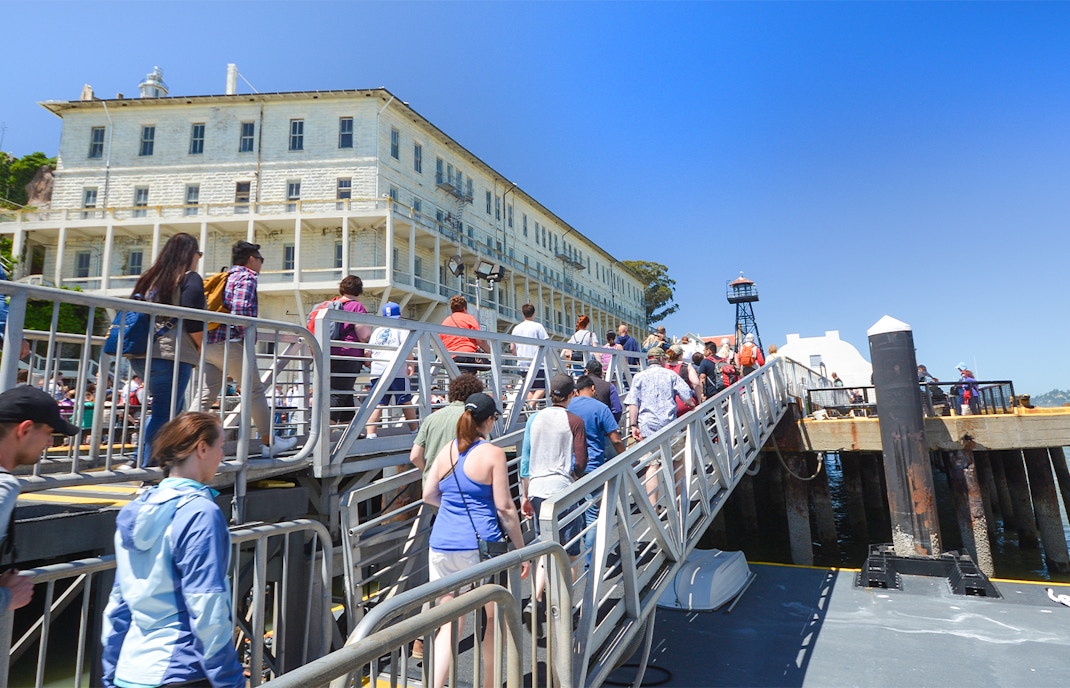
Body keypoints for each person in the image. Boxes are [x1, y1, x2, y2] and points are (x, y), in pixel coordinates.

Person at [101, 412, 242, 688]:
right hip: (182, 669)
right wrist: (229, 681)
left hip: (130, 673)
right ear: (202, 447)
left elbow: (118, 604)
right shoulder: (200, 512)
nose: (222, 456)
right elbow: (206, 605)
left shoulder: (134, 510)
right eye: (221, 446)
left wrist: (110, 674)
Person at [423, 393, 530, 688]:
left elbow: (428, 495)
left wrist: (453, 509)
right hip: (480, 548)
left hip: (441, 544)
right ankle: (490, 684)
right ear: (490, 420)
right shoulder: (493, 453)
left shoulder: (447, 450)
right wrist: (522, 550)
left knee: (450, 624)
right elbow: (506, 508)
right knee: (492, 620)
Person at [195, 241, 297, 457]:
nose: (261, 264)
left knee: (206, 393)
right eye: (261, 259)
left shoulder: (225, 276)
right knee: (254, 390)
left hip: (209, 342)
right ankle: (269, 442)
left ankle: (185, 440)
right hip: (229, 342)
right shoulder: (246, 277)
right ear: (252, 259)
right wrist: (248, 333)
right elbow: (241, 312)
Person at [126, 232, 207, 466]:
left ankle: (141, 458)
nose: (198, 259)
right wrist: (200, 346)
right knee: (165, 412)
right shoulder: (189, 278)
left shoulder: (150, 278)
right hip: (170, 353)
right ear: (190, 254)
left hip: (141, 352)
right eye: (198, 254)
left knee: (169, 408)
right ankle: (148, 467)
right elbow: (193, 318)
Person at [0, 387, 78, 613]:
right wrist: (7, 597)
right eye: (49, 432)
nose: (50, 443)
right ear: (25, 429)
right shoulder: (4, 486)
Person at [520, 375, 587, 608]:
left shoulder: (534, 419)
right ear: (572, 394)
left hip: (537, 489)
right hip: (561, 489)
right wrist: (577, 476)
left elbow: (525, 462)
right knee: (570, 551)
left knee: (546, 545)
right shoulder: (574, 421)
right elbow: (580, 461)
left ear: (550, 393)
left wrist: (525, 496)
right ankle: (564, 604)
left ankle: (536, 598)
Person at [624, 347, 694, 506]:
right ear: (662, 360)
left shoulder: (639, 376)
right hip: (669, 425)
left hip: (647, 427)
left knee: (652, 466)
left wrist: (633, 425)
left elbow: (633, 403)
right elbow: (687, 396)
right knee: (677, 462)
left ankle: (654, 508)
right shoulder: (670, 375)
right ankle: (679, 503)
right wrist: (692, 405)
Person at [570, 375, 626, 568]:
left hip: (570, 468)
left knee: (578, 513)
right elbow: (616, 440)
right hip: (593, 466)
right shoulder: (600, 407)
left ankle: (576, 557)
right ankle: (591, 564)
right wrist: (625, 457)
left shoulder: (567, 407)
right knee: (594, 515)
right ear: (592, 388)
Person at [410, 373, 485, 478]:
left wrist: (430, 474)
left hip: (432, 486)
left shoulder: (431, 418)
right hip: (460, 486)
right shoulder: (475, 417)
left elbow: (415, 456)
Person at [364, 302, 419, 439]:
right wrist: (411, 364)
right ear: (399, 315)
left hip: (378, 370)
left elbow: (367, 352)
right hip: (397, 369)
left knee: (378, 403)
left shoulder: (377, 331)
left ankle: (371, 434)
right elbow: (407, 347)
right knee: (405, 400)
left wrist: (370, 364)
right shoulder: (401, 328)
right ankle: (415, 431)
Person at [329, 275, 373, 424]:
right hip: (349, 355)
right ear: (359, 290)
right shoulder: (356, 307)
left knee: (346, 391)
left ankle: (349, 433)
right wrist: (369, 347)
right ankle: (323, 436)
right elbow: (364, 334)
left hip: (330, 354)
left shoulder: (332, 304)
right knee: (338, 394)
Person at [440, 295, 491, 375]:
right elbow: (480, 341)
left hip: (450, 357)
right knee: (468, 384)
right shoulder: (469, 318)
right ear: (464, 308)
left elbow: (441, 342)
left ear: (452, 309)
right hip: (467, 355)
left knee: (455, 384)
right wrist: (491, 353)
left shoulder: (445, 322)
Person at [510, 303, 549, 404]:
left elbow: (512, 348)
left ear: (523, 314)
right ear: (534, 313)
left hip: (523, 364)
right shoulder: (538, 327)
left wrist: (518, 357)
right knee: (543, 387)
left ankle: (531, 410)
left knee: (529, 389)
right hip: (537, 362)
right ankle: (531, 405)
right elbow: (547, 344)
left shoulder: (516, 328)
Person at [583, 359, 622, 423]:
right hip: (602, 424)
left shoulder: (579, 385)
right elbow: (617, 409)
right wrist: (611, 425)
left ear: (586, 371)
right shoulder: (609, 386)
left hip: (582, 425)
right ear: (601, 372)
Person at [665, 345, 700, 415]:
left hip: (668, 404)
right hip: (685, 403)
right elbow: (696, 383)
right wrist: (699, 401)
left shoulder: (664, 367)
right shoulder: (687, 367)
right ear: (681, 355)